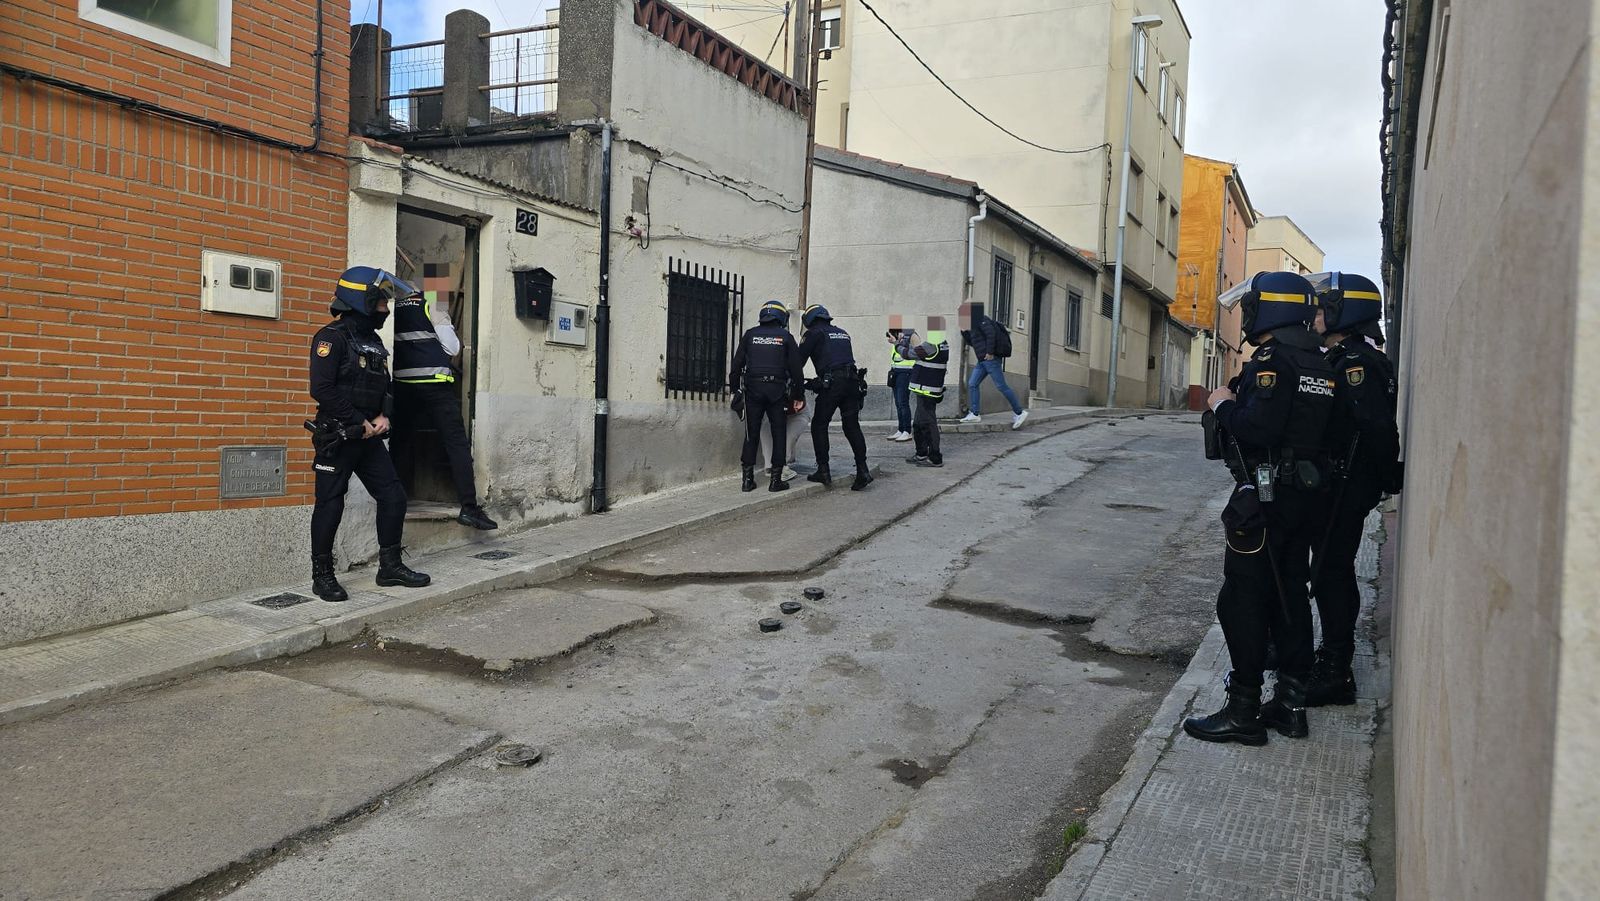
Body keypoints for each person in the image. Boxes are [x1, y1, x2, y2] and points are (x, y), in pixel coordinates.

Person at [1183, 271, 1336, 745]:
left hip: (1265, 499)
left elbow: (1259, 429)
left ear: (1269, 309)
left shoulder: (1273, 361)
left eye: (1251, 306)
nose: (1246, 314)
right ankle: (1290, 704)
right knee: (1289, 595)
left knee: (1243, 601)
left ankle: (1243, 709)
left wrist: (1223, 404)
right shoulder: (1321, 362)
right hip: (1306, 498)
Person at [307, 266, 431, 602]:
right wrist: (357, 420)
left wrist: (383, 416)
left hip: (369, 437)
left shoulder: (373, 342)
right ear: (361, 301)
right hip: (339, 435)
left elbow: (385, 386)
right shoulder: (330, 338)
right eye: (380, 303)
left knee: (394, 497)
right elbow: (321, 389)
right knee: (330, 505)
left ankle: (389, 567)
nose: (386, 310)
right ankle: (322, 576)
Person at [1306, 272, 1401, 706]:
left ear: (1347, 314)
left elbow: (1376, 429)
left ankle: (1336, 671)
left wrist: (1378, 480)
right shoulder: (1345, 358)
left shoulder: (1356, 363)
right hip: (1340, 482)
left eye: (1325, 309)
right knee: (1327, 571)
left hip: (1346, 485)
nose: (1318, 316)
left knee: (1331, 572)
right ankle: (1329, 657)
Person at [388, 275, 497, 531]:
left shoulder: (395, 305)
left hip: (402, 384)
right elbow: (452, 347)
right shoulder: (433, 303)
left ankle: (394, 502)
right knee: (456, 443)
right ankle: (469, 508)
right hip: (435, 383)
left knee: (401, 443)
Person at [730, 300, 805, 493]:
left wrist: (734, 390)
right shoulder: (786, 337)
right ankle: (775, 481)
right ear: (781, 318)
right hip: (777, 392)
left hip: (752, 390)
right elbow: (797, 371)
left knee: (751, 434)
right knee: (778, 433)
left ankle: (747, 481)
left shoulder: (750, 335)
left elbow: (736, 365)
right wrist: (798, 395)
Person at [798, 304, 873, 491]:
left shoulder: (813, 333)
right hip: (852, 382)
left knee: (819, 425)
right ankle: (863, 470)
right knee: (852, 425)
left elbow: (797, 361)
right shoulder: (843, 332)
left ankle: (823, 470)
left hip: (832, 384)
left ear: (810, 320)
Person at [959, 307, 1028, 430]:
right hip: (982, 361)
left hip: (990, 359)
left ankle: (1019, 412)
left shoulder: (981, 319)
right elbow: (972, 342)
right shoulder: (973, 325)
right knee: (973, 383)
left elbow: (991, 334)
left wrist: (990, 352)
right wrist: (964, 332)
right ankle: (975, 414)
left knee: (1001, 386)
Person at [897, 321, 950, 468]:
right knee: (919, 424)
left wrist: (897, 344)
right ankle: (921, 454)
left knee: (928, 423)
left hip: (927, 390)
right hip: (928, 389)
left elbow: (909, 354)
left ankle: (934, 457)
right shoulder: (942, 344)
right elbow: (921, 354)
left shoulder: (932, 344)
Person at [885, 330, 916, 442]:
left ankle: (907, 431)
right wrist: (895, 341)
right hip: (896, 371)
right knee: (898, 403)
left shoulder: (911, 336)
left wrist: (900, 341)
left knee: (903, 402)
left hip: (906, 372)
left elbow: (912, 352)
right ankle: (901, 429)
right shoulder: (897, 341)